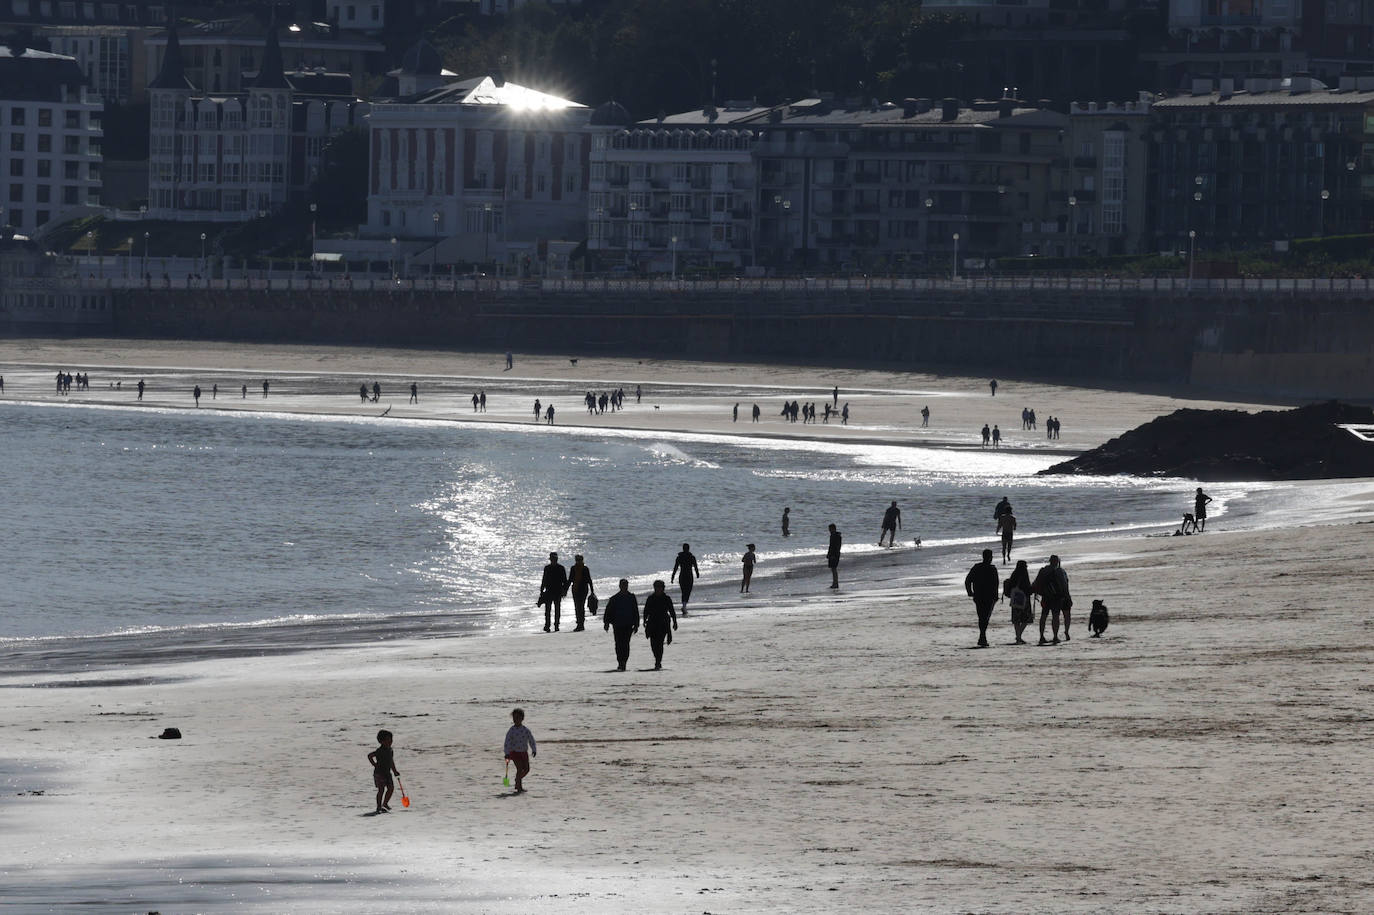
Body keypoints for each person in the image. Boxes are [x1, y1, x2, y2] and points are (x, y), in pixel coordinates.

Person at [1031, 554, 1072, 644]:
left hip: (1045, 597)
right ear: (1057, 562)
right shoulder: (1060, 571)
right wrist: (1067, 596)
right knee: (1055, 616)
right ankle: (1055, 636)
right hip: (1057, 597)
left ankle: (1041, 636)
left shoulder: (1043, 570)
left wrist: (1037, 592)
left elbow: (1036, 583)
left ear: (1050, 561)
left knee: (1043, 616)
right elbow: (1064, 585)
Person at [965, 549, 1000, 648]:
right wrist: (996, 596)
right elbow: (996, 584)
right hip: (989, 596)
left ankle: (982, 636)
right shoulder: (992, 569)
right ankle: (982, 636)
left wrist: (970, 592)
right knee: (985, 617)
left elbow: (968, 581)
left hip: (979, 596)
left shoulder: (977, 567)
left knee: (981, 616)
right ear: (990, 557)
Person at [603, 578, 639, 671]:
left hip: (628, 624)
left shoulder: (631, 597)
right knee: (618, 644)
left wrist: (636, 624)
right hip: (617, 624)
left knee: (626, 644)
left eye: (626, 585)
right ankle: (620, 662)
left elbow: (635, 611)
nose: (624, 586)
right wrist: (606, 623)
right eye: (623, 585)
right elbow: (608, 611)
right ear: (619, 586)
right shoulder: (614, 598)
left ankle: (624, 662)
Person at [642, 580, 678, 670]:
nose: (658, 589)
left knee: (660, 643)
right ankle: (657, 658)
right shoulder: (650, 598)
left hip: (663, 623)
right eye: (656, 587)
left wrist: (675, 622)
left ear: (663, 588)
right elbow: (646, 610)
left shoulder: (667, 598)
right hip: (652, 623)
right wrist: (644, 620)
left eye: (659, 587)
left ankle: (658, 661)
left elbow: (672, 611)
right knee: (653, 644)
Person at [503, 708, 537, 794]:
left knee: (526, 769)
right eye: (514, 718)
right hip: (514, 753)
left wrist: (534, 749)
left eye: (518, 718)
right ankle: (519, 787)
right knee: (519, 769)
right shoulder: (511, 730)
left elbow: (531, 740)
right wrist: (507, 753)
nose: (515, 720)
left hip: (524, 752)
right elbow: (507, 742)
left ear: (522, 718)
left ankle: (517, 779)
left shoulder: (525, 730)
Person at [367, 729, 400, 814]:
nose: (390, 742)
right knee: (381, 790)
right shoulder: (380, 750)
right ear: (381, 741)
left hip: (387, 773)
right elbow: (370, 756)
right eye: (387, 740)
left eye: (391, 740)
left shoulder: (390, 750)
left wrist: (395, 771)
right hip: (379, 773)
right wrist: (374, 765)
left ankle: (385, 804)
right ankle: (379, 807)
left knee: (391, 788)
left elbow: (391, 761)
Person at [1003, 559, 1034, 644]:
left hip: (1015, 598)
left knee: (1016, 620)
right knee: (1026, 619)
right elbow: (1027, 588)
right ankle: (1018, 636)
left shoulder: (1014, 574)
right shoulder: (1024, 575)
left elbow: (1011, 586)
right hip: (1024, 599)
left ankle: (1018, 636)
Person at [537, 551, 568, 632]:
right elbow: (544, 579)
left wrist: (564, 591)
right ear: (551, 559)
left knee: (556, 609)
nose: (553, 560)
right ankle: (547, 626)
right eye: (552, 558)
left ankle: (556, 625)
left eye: (554, 558)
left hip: (557, 591)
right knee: (548, 610)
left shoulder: (560, 568)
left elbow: (565, 581)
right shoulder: (547, 568)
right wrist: (541, 590)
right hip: (549, 591)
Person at [567, 554, 596, 631]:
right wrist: (565, 590)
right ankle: (579, 623)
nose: (578, 561)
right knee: (577, 606)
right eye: (577, 560)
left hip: (583, 589)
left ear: (582, 560)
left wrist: (592, 591)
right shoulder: (573, 568)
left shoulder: (585, 568)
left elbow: (589, 580)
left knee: (581, 606)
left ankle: (581, 624)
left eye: (579, 560)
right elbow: (570, 579)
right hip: (575, 589)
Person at [671, 543, 700, 616]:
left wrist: (673, 576)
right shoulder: (692, 557)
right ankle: (684, 606)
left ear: (683, 549)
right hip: (689, 576)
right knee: (688, 591)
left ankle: (684, 606)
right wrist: (697, 573)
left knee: (683, 591)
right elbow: (695, 566)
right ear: (688, 549)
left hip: (682, 576)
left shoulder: (679, 557)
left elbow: (675, 567)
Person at [826, 523, 842, 589]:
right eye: (829, 529)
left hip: (835, 554)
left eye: (830, 529)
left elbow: (836, 547)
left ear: (834, 529)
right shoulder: (833, 535)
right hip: (833, 554)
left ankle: (835, 583)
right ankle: (835, 583)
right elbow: (831, 546)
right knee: (833, 569)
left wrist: (833, 555)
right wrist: (828, 554)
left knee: (834, 569)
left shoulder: (836, 536)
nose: (829, 530)